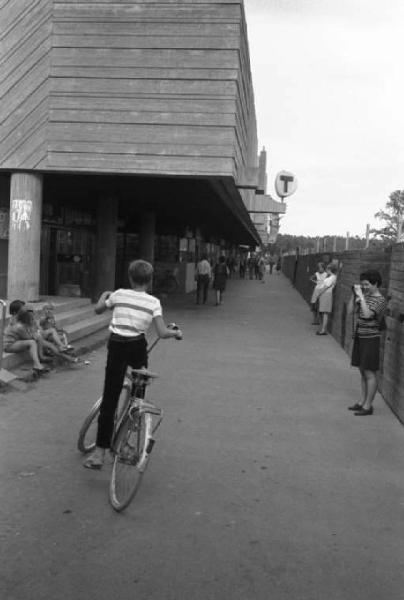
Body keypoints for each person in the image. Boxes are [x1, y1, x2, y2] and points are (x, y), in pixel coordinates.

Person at [83, 259, 183, 469]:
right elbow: (162, 332)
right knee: (137, 396)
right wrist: (176, 333)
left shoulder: (118, 294)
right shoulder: (153, 302)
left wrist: (103, 295)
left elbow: (98, 310)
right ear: (149, 280)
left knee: (110, 399)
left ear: (130, 277)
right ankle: (126, 441)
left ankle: (99, 454)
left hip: (117, 347)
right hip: (137, 347)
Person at [347, 270, 387, 416]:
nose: (364, 287)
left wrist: (362, 299)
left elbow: (369, 314)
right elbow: (350, 312)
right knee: (362, 371)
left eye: (366, 284)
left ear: (375, 283)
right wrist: (354, 295)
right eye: (362, 284)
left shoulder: (380, 300)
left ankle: (368, 406)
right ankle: (362, 401)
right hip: (360, 337)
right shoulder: (366, 296)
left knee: (370, 372)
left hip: (371, 339)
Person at [3, 301, 50, 375]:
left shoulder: (19, 320)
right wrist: (34, 335)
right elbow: (26, 336)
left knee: (37, 338)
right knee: (32, 342)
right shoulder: (17, 324)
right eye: (23, 309)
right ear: (16, 312)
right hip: (10, 345)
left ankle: (41, 358)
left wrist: (35, 334)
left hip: (17, 341)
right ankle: (37, 365)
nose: (26, 310)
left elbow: (29, 330)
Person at [315, 263, 338, 335]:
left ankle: (323, 330)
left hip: (326, 294)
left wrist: (318, 294)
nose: (326, 270)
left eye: (327, 269)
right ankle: (322, 328)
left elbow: (325, 287)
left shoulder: (331, 278)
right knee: (323, 312)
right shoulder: (333, 276)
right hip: (326, 294)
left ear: (330, 269)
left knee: (325, 313)